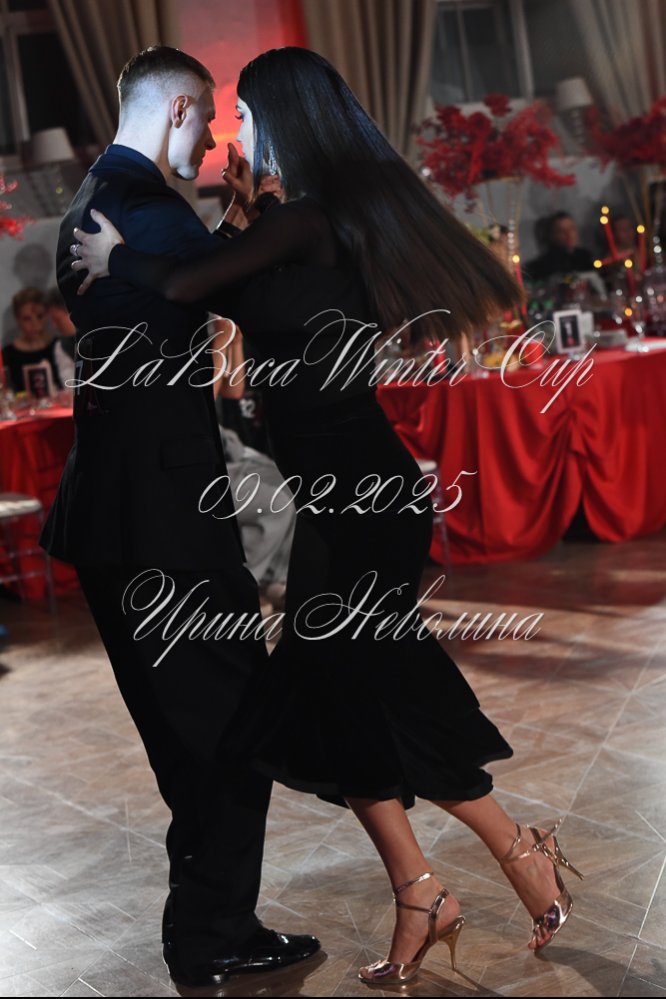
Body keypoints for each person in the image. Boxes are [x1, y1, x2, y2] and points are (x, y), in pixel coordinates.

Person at [71, 47, 584, 986]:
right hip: (336, 500)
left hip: (365, 498)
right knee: (327, 700)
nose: (231, 132)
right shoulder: (293, 221)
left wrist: (117, 256)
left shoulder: (308, 221)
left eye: (245, 117)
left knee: (384, 691)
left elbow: (187, 285)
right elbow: (224, 280)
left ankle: (517, 851)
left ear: (285, 120)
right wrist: (231, 218)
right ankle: (422, 889)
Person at [39, 46, 320, 989]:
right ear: (176, 110)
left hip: (114, 514)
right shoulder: (151, 209)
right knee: (232, 722)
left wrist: (233, 224)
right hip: (165, 523)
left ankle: (207, 927)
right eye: (207, 118)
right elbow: (256, 293)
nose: (212, 140)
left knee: (193, 729)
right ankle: (212, 934)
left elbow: (187, 282)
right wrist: (274, 219)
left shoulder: (95, 201)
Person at [2, 288, 64, 393]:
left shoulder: (60, 346)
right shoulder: (7, 355)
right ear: (17, 319)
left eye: (40, 316)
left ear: (47, 315)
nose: (35, 324)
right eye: (27, 318)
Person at [525, 211, 596, 282]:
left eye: (571, 228)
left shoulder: (585, 257)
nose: (569, 234)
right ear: (552, 236)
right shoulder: (545, 265)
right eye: (561, 231)